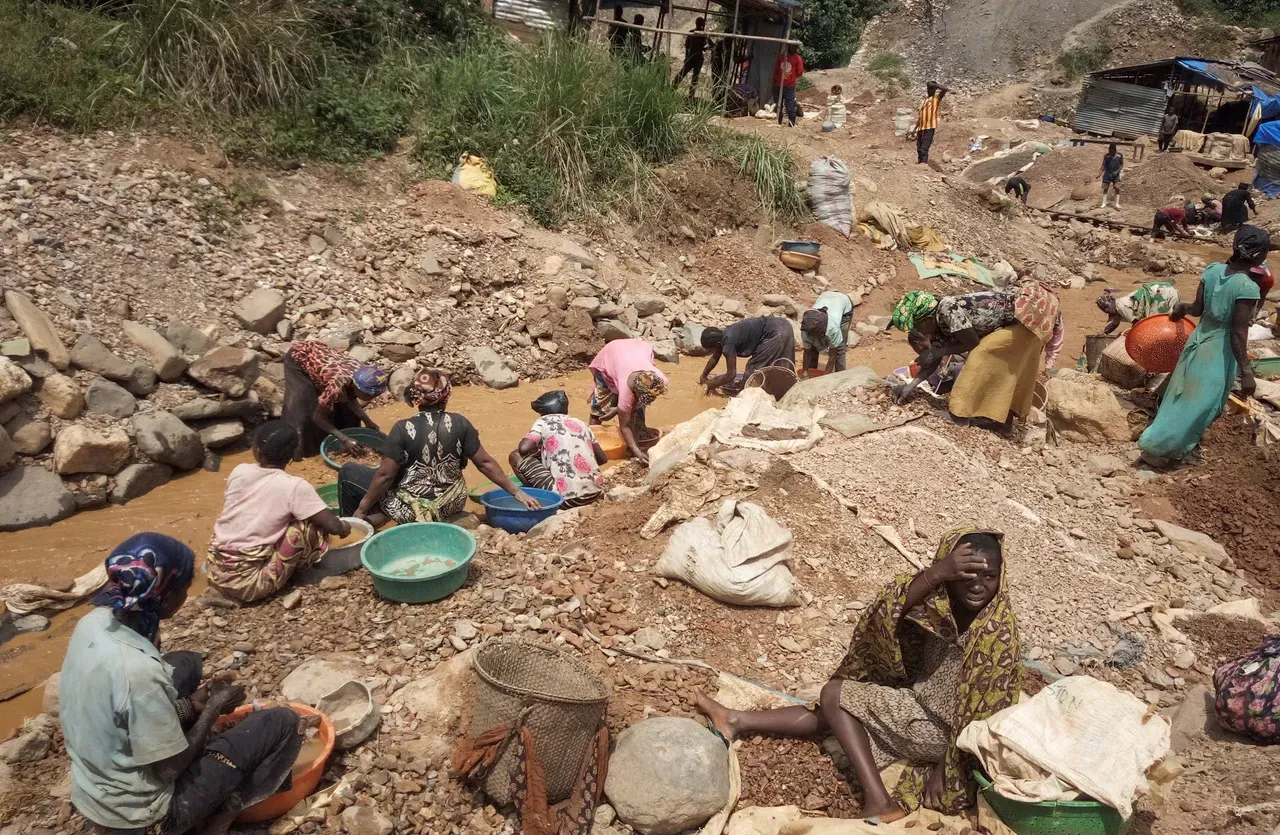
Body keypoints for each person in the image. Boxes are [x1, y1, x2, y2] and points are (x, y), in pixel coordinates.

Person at [697, 529, 1019, 821]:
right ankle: (737, 720)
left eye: (989, 576)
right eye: (965, 576)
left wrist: (947, 766)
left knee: (835, 695)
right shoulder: (942, 604)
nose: (978, 586)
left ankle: (879, 801)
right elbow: (886, 608)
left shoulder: (996, 633)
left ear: (1001, 577)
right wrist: (935, 573)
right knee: (841, 713)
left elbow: (986, 717)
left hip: (948, 736)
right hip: (919, 710)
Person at [60, 533, 306, 835]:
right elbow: (169, 769)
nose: (186, 597)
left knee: (187, 663)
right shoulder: (139, 673)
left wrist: (189, 706)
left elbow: (122, 706)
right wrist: (212, 709)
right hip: (142, 817)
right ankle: (217, 821)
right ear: (163, 597)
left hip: (93, 792)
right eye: (184, 590)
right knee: (283, 722)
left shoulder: (94, 621)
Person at [1138, 226, 1270, 466]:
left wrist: (1181, 308)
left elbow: (1197, 309)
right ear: (1258, 255)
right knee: (1202, 403)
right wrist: (1247, 372)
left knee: (1181, 398)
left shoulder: (1212, 271)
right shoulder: (1247, 287)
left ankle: (1160, 443)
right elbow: (1238, 333)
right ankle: (1162, 450)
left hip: (1196, 342)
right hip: (1217, 352)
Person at [340, 370, 538, 524]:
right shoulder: (460, 423)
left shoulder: (402, 428)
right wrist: (517, 492)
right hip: (451, 504)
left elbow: (384, 477)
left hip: (412, 509)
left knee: (349, 471)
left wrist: (362, 508)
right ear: (446, 396)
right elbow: (485, 463)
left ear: (416, 397)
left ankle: (362, 526)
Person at [206, 421, 351, 604]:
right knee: (307, 525)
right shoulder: (294, 486)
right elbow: (333, 526)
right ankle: (299, 573)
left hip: (216, 572)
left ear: (256, 450)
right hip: (249, 585)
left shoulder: (239, 471)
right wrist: (346, 526)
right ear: (291, 456)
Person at [890, 285, 1064, 432]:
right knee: (1005, 369)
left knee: (982, 354)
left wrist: (938, 352)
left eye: (918, 326)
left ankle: (959, 416)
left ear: (927, 318)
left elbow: (971, 343)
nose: (918, 332)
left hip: (1023, 320)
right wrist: (911, 386)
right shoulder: (937, 325)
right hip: (1012, 322)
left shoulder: (947, 309)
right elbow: (934, 359)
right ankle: (1003, 423)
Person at [282, 340, 388, 459]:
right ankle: (295, 449)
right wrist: (344, 438)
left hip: (321, 357)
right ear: (357, 387)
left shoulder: (362, 374)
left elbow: (351, 400)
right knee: (305, 408)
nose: (371, 399)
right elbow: (318, 417)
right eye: (368, 396)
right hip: (299, 357)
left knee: (343, 408)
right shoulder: (336, 386)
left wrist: (369, 422)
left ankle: (337, 433)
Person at [509, 390, 607, 508]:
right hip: (594, 493)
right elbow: (602, 459)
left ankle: (537, 497)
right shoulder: (581, 423)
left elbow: (523, 448)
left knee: (515, 456)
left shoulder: (543, 421)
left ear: (543, 412)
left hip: (566, 500)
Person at [588, 338, 669, 465]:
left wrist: (619, 410)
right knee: (600, 408)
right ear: (634, 391)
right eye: (638, 397)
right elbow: (624, 426)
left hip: (638, 348)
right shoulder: (626, 390)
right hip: (612, 353)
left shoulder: (658, 381)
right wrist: (637, 451)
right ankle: (590, 443)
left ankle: (633, 444)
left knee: (637, 412)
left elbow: (640, 401)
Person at [700, 316, 797, 394]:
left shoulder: (728, 343)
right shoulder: (724, 334)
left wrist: (712, 384)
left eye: (711, 350)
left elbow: (731, 375)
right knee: (781, 363)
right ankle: (783, 389)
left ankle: (760, 393)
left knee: (753, 370)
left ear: (716, 344)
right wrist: (704, 375)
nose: (711, 352)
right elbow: (715, 357)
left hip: (775, 333)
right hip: (783, 325)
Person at [800, 291, 856, 376]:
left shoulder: (832, 329)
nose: (812, 337)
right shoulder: (806, 329)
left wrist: (825, 378)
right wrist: (805, 372)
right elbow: (807, 352)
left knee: (840, 349)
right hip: (826, 297)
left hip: (843, 304)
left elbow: (832, 356)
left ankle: (840, 378)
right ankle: (812, 373)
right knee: (813, 349)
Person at [1096, 282, 1181, 335]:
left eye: (1107, 306)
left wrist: (1129, 333)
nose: (1106, 310)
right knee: (1164, 320)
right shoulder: (1116, 311)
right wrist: (1103, 334)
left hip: (1160, 294)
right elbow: (1114, 324)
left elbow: (1137, 323)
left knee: (1157, 322)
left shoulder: (1120, 306)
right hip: (1167, 290)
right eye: (1103, 309)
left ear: (1112, 301)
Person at [673, 17, 710, 96]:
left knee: (684, 73)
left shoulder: (693, 33)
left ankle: (673, 87)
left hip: (692, 56)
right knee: (693, 77)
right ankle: (690, 94)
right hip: (697, 57)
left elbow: (687, 46)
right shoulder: (702, 34)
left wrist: (687, 57)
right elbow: (706, 46)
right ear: (702, 24)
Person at [915, 81, 949, 164]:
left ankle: (923, 166)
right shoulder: (924, 101)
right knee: (919, 148)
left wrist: (935, 85)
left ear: (935, 89)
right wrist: (914, 129)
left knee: (924, 149)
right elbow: (921, 117)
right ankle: (920, 164)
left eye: (932, 89)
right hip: (921, 128)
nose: (930, 90)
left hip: (929, 128)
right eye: (929, 88)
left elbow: (945, 89)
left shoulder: (936, 98)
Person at [774, 44, 804, 127]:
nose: (794, 48)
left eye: (795, 47)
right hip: (779, 85)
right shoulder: (781, 57)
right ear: (789, 47)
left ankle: (791, 124)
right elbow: (776, 70)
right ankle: (778, 122)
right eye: (792, 46)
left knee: (790, 106)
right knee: (777, 105)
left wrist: (791, 77)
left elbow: (800, 72)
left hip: (789, 86)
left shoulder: (797, 58)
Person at [1099, 144, 1124, 209]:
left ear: (1115, 150)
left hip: (1116, 174)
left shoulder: (1119, 155)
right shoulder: (1106, 156)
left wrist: (1117, 171)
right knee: (1105, 188)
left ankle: (1116, 203)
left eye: (1111, 150)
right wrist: (1100, 173)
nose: (1110, 151)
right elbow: (1103, 165)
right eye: (1109, 150)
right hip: (1107, 174)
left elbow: (1122, 164)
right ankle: (1104, 203)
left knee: (1117, 188)